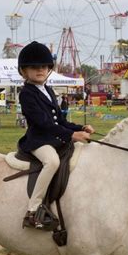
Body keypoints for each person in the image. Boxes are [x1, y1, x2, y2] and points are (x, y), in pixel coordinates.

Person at [16, 41, 94, 229]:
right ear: (24, 71)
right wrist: (71, 135)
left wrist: (80, 128)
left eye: (44, 66)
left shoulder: (49, 90)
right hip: (38, 141)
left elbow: (60, 120)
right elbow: (44, 123)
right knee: (52, 162)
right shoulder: (26, 93)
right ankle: (33, 210)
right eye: (34, 67)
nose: (40, 70)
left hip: (53, 137)